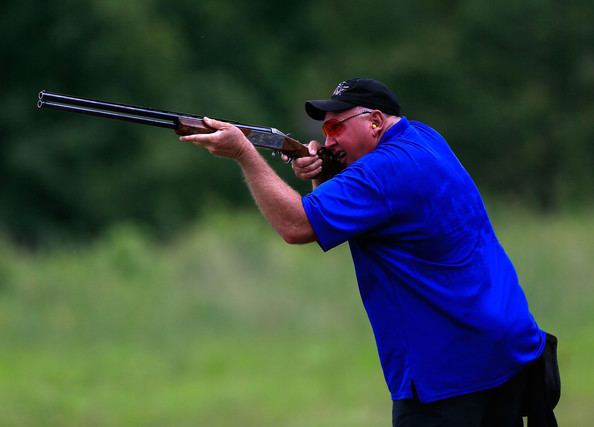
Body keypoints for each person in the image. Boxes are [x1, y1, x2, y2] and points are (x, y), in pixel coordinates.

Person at [179, 77, 559, 426]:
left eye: (336, 127)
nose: (327, 141)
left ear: (375, 122)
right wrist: (322, 174)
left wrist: (245, 153)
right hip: (505, 350)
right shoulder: (423, 138)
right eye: (324, 130)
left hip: (448, 371)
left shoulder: (382, 172)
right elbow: (343, 210)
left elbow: (298, 227)